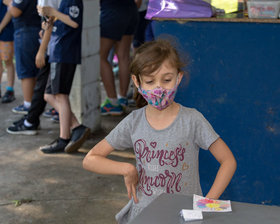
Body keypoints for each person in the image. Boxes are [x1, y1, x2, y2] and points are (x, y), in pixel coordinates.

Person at [83, 40, 237, 223]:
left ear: (178, 78)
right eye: (149, 81)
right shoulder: (133, 122)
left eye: (166, 80)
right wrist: (125, 168)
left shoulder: (192, 120)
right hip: (144, 215)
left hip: (183, 215)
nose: (159, 88)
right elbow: (90, 159)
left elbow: (228, 161)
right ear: (136, 81)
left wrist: (206, 204)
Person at [38, 0, 90, 154]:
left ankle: (64, 138)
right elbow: (62, 20)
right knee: (49, 95)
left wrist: (53, 13)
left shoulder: (72, 0)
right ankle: (76, 127)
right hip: (57, 51)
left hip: (64, 52)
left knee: (61, 95)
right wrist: (48, 22)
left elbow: (74, 23)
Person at [6, 17, 53, 135]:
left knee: (52, 95)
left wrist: (42, 50)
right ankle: (31, 120)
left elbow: (54, 21)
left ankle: (74, 128)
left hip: (56, 49)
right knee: (45, 90)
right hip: (50, 45)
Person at [100, 0, 139, 115]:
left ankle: (112, 102)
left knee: (100, 57)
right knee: (124, 56)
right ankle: (122, 98)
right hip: (130, 10)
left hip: (112, 11)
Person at [4, 0, 41, 114]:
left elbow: (15, 11)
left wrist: (8, 3)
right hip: (34, 29)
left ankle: (28, 104)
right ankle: (32, 104)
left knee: (26, 71)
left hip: (26, 30)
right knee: (33, 70)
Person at [0, 0, 15, 103]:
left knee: (8, 61)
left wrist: (0, 27)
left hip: (5, 32)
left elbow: (11, 9)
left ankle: (10, 90)